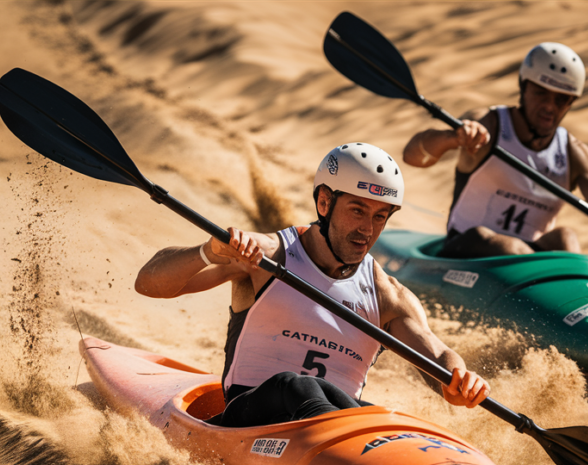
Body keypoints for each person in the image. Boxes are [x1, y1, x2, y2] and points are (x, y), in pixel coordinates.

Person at [135, 142, 490, 427]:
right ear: (324, 201)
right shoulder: (267, 256)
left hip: (334, 430)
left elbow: (438, 355)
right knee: (295, 384)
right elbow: (149, 283)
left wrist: (458, 377)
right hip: (248, 421)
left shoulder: (387, 295)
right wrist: (209, 251)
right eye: (357, 210)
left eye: (379, 216)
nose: (367, 229)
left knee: (387, 419)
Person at [402, 42, 588, 257]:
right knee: (503, 244)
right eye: (541, 93)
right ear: (523, 87)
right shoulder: (488, 124)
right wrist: (453, 138)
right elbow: (412, 156)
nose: (549, 106)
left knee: (566, 238)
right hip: (466, 249)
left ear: (571, 103)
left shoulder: (575, 154)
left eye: (561, 99)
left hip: (526, 261)